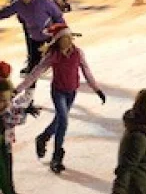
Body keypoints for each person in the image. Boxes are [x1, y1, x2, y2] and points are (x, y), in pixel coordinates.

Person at [16, 24, 105, 174]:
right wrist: (17, 90)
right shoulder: (53, 55)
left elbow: (86, 71)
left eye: (69, 38)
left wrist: (97, 89)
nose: (68, 41)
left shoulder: (78, 53)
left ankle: (43, 137)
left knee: (59, 120)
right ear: (58, 40)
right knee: (63, 121)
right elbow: (35, 74)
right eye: (64, 39)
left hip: (72, 91)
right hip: (58, 92)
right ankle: (57, 156)